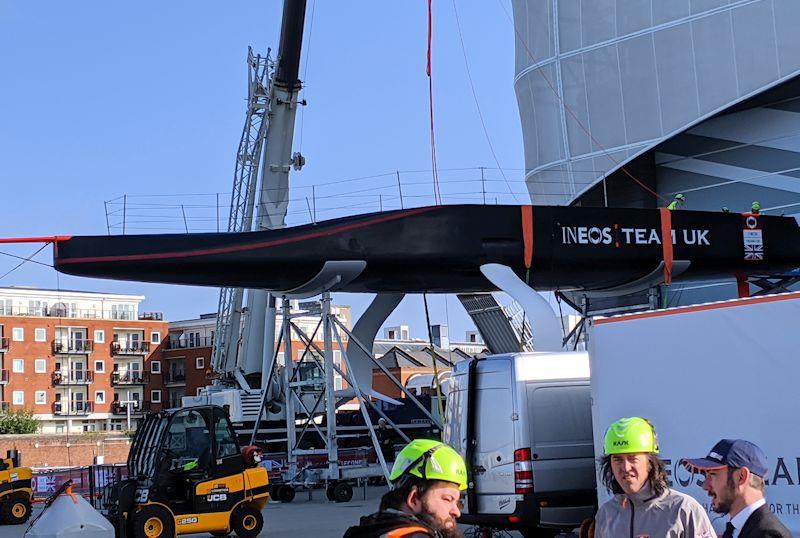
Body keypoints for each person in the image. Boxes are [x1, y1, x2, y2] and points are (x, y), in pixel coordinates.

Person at [594, 417, 714, 538]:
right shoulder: (606, 515)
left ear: (650, 462)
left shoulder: (683, 509)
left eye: (632, 458)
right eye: (618, 460)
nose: (625, 467)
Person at [343, 439, 467, 538]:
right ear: (414, 499)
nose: (456, 512)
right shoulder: (414, 536)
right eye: (448, 499)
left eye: (458, 503)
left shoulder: (369, 530)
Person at [682, 439, 791, 538]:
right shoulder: (737, 530)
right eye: (706, 476)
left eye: (713, 475)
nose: (705, 486)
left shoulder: (768, 534)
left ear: (741, 477)